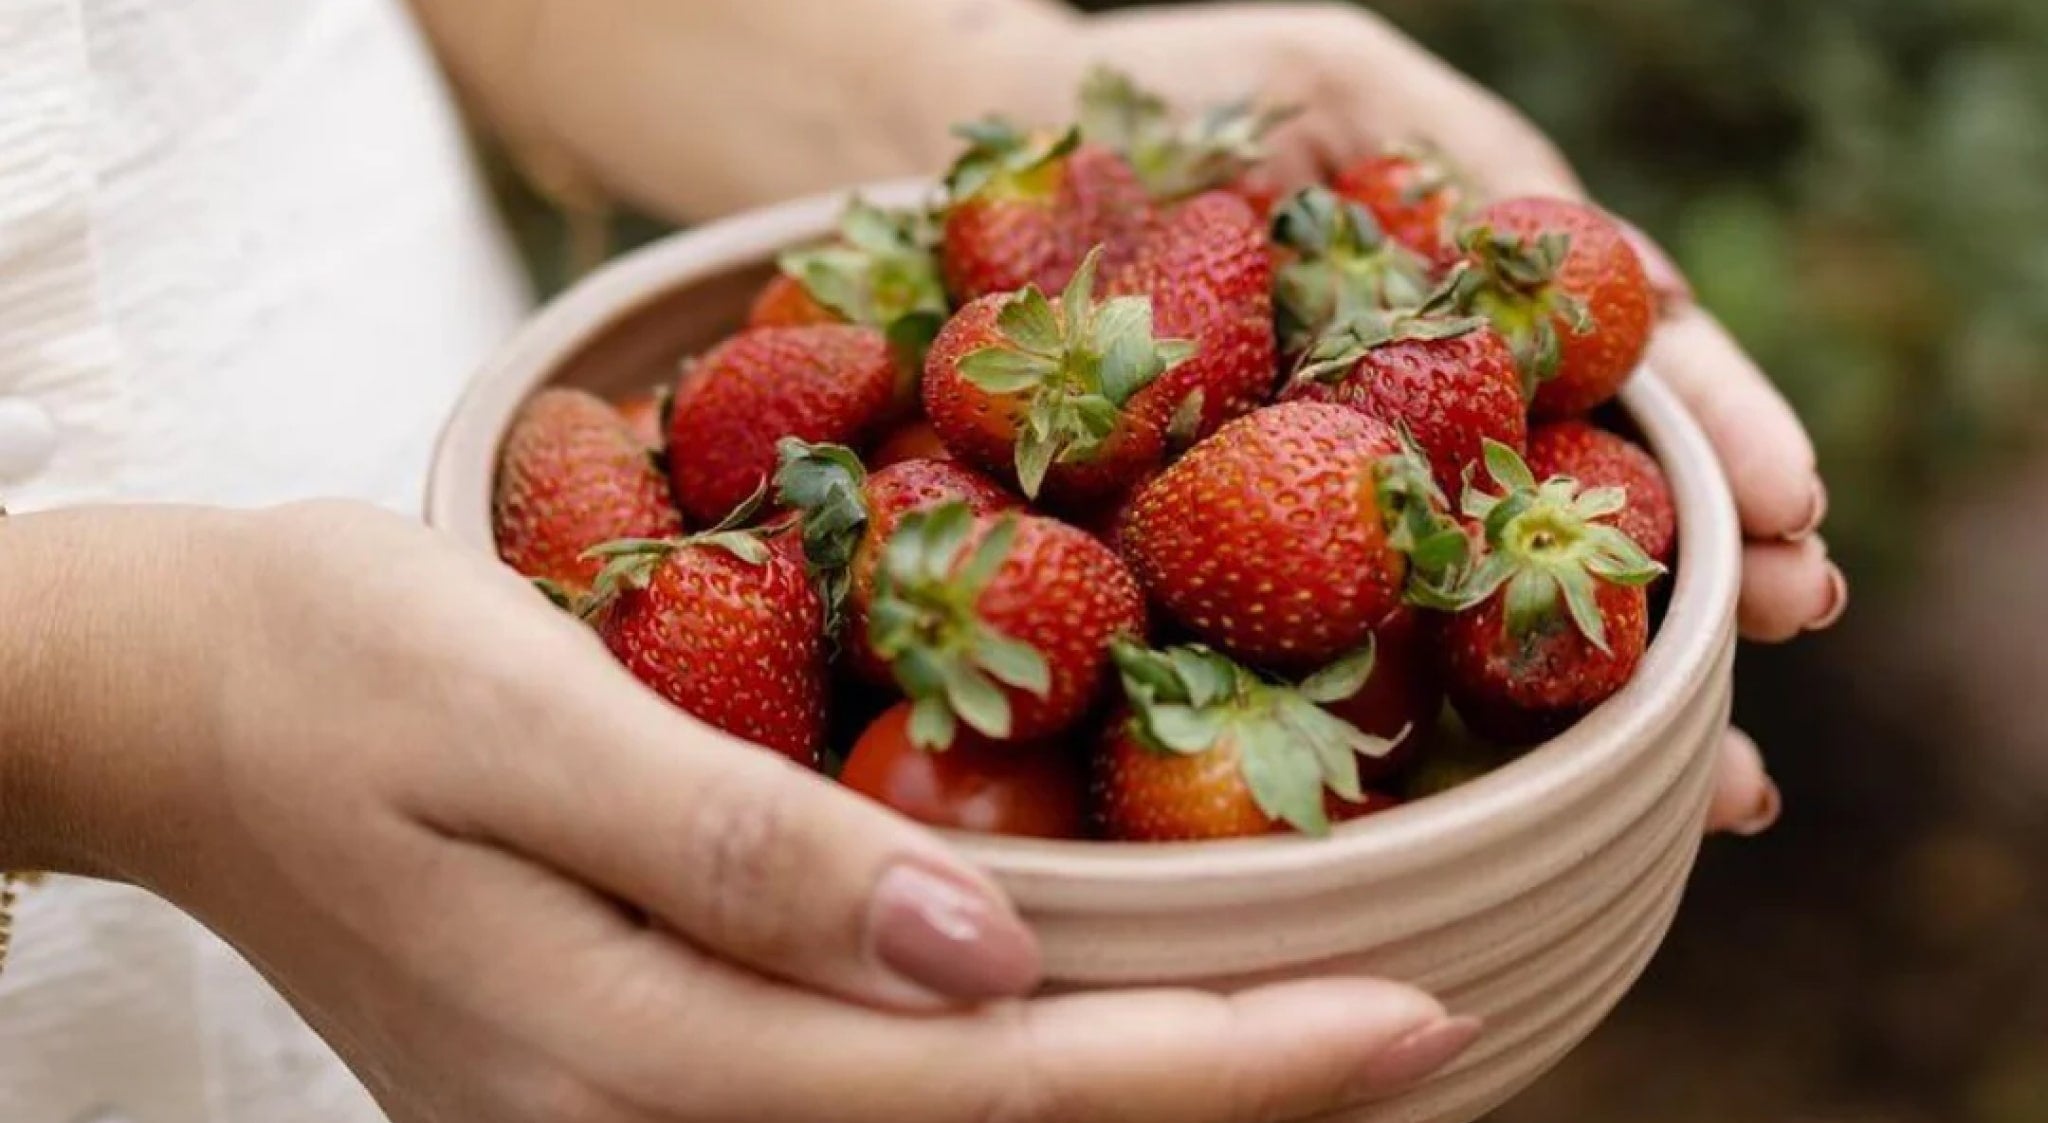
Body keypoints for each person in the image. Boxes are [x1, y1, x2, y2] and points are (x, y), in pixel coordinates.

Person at [0, 1, 1843, 1121]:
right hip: (409, 676)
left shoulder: (992, 446)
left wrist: (949, 76)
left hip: (494, 613)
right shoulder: (860, 528)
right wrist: (123, 706)